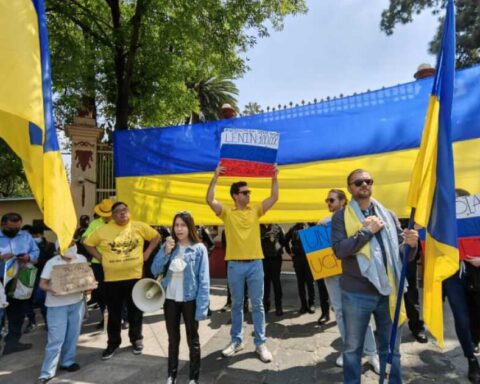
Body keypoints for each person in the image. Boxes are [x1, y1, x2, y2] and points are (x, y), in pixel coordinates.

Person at [331, 169, 418, 383]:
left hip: (388, 291)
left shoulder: (387, 215)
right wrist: (367, 231)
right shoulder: (340, 216)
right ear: (350, 187)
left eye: (368, 181)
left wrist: (412, 245)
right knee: (352, 349)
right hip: (356, 294)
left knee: (391, 350)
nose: (364, 185)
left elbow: (402, 253)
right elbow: (340, 250)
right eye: (358, 182)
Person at [206, 164, 278, 362]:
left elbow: (274, 198)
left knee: (258, 305)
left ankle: (260, 343)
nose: (249, 195)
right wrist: (215, 177)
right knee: (237, 304)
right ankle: (236, 341)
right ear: (235, 196)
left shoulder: (255, 209)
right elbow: (209, 200)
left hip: (256, 264)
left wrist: (274, 177)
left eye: (249, 192)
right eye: (245, 192)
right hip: (235, 265)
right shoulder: (227, 212)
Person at [84, 202, 161, 360]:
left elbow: (156, 237)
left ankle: (136, 339)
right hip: (112, 279)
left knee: (135, 311)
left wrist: (147, 252)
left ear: (129, 212)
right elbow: (87, 243)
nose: (122, 213)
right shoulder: (103, 230)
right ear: (112, 216)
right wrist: (99, 257)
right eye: (118, 211)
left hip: (135, 276)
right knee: (114, 313)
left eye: (125, 210)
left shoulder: (139, 226)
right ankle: (113, 343)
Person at [320, 189, 380, 373]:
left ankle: (371, 354)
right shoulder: (322, 223)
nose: (328, 203)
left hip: (351, 272)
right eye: (327, 201)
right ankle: (349, 352)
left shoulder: (353, 217)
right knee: (339, 312)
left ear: (343, 201)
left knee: (360, 313)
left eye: (331, 200)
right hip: (331, 273)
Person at [151, 212, 210, 384]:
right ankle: (172, 375)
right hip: (170, 299)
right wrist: (165, 252)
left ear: (190, 227)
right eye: (176, 225)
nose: (179, 229)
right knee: (173, 339)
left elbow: (204, 280)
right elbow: (154, 270)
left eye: (183, 225)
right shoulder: (169, 246)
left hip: (190, 299)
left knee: (193, 339)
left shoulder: (199, 249)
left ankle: (193, 377)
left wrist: (202, 307)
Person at [36, 241, 91, 384]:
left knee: (73, 335)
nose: (71, 247)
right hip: (56, 305)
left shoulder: (81, 259)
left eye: (73, 244)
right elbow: (42, 284)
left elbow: (87, 277)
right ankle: (47, 373)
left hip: (77, 303)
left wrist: (89, 286)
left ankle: (68, 362)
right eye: (67, 245)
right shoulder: (52, 262)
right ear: (59, 248)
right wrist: (51, 289)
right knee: (56, 339)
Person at [0, 212, 40, 355]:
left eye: (17, 228)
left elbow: (36, 251)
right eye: (11, 229)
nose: (15, 231)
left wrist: (28, 257)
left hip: (19, 280)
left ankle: (12, 343)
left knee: (17, 313)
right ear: (3, 225)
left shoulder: (25, 236)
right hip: (1, 281)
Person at [81, 199, 113, 329]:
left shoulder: (118, 223)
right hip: (98, 263)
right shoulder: (95, 223)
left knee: (117, 291)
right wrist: (98, 252)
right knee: (100, 292)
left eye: (108, 214)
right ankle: (104, 317)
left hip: (115, 263)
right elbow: (84, 239)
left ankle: (122, 317)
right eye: (103, 213)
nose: (106, 216)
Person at [398, 218, 428, 344]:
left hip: (409, 234)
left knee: (410, 289)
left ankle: (416, 326)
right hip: (386, 235)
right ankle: (385, 325)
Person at [23, 224, 55, 332]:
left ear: (39, 235)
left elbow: (51, 262)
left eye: (31, 235)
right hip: (26, 275)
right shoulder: (23, 247)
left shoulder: (49, 245)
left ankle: (47, 322)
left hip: (42, 277)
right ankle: (31, 321)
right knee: (27, 300)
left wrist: (34, 261)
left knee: (42, 300)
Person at [285, 223, 316, 314]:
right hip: (298, 259)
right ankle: (303, 305)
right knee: (300, 283)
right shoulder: (293, 229)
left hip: (308, 259)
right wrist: (289, 252)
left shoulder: (310, 226)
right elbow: (284, 240)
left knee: (310, 282)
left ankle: (311, 304)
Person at [260, 223, 285, 316]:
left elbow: (284, 241)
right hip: (263, 259)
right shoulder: (258, 227)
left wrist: (277, 242)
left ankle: (279, 306)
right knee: (265, 282)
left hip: (276, 258)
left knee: (276, 282)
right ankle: (266, 306)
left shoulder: (277, 227)